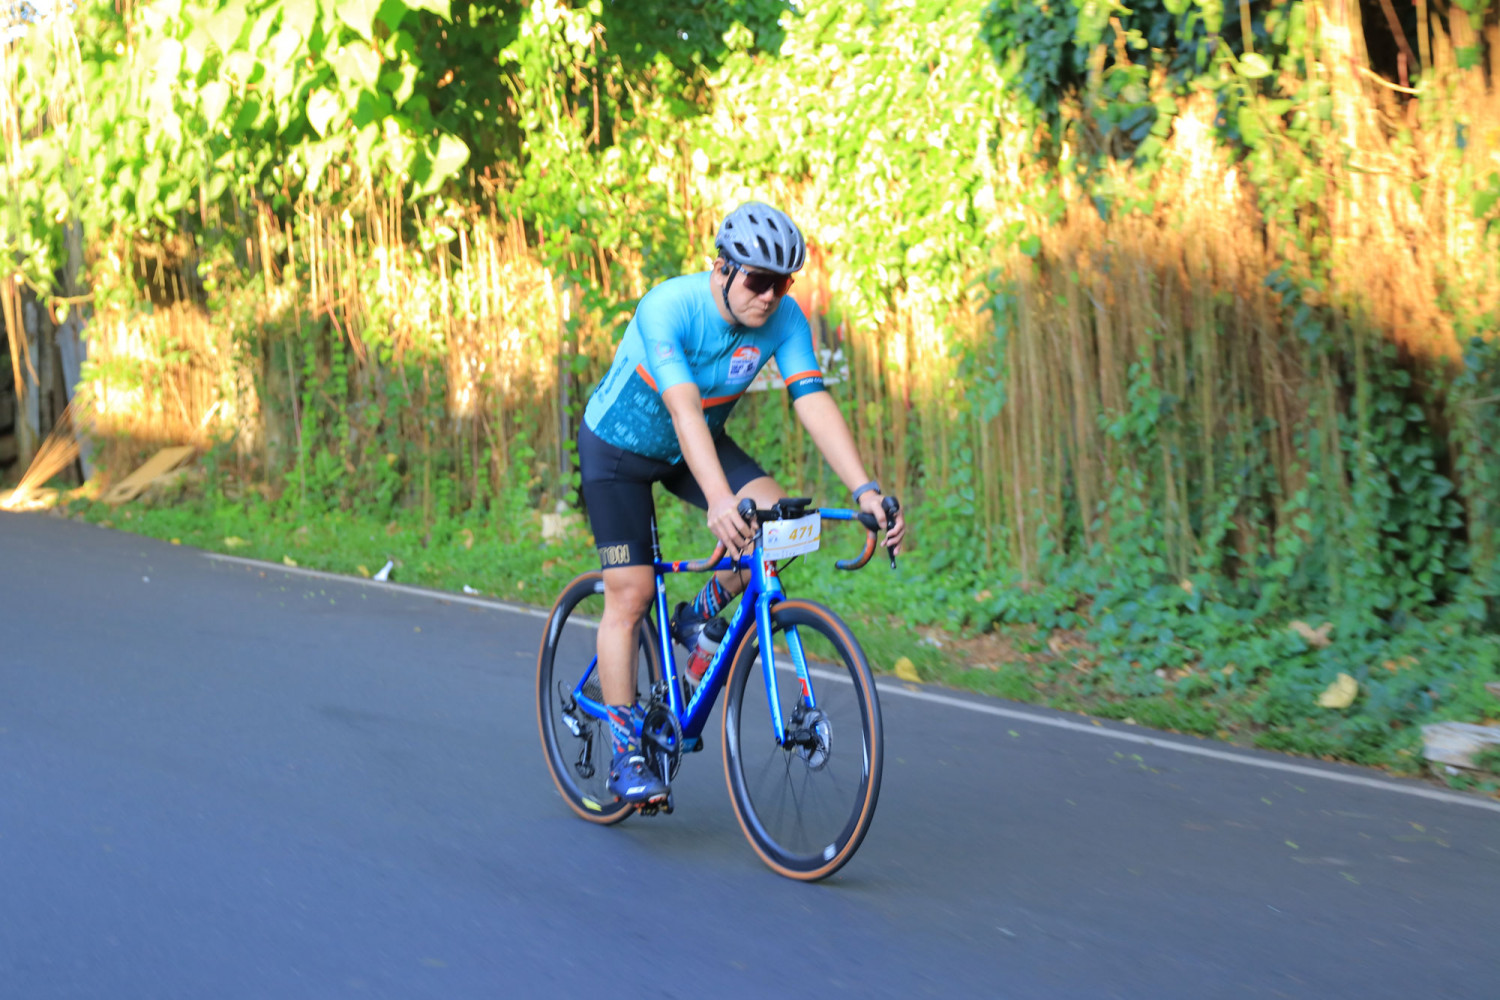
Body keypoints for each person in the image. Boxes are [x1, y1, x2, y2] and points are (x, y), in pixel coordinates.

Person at [576, 201, 907, 805]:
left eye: (783, 283)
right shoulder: (668, 307)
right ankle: (625, 754)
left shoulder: (783, 318)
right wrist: (719, 501)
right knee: (632, 593)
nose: (770, 296)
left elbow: (812, 400)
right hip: (619, 451)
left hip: (696, 445)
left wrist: (866, 489)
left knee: (785, 526)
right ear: (723, 269)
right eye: (758, 281)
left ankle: (699, 617)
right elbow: (682, 410)